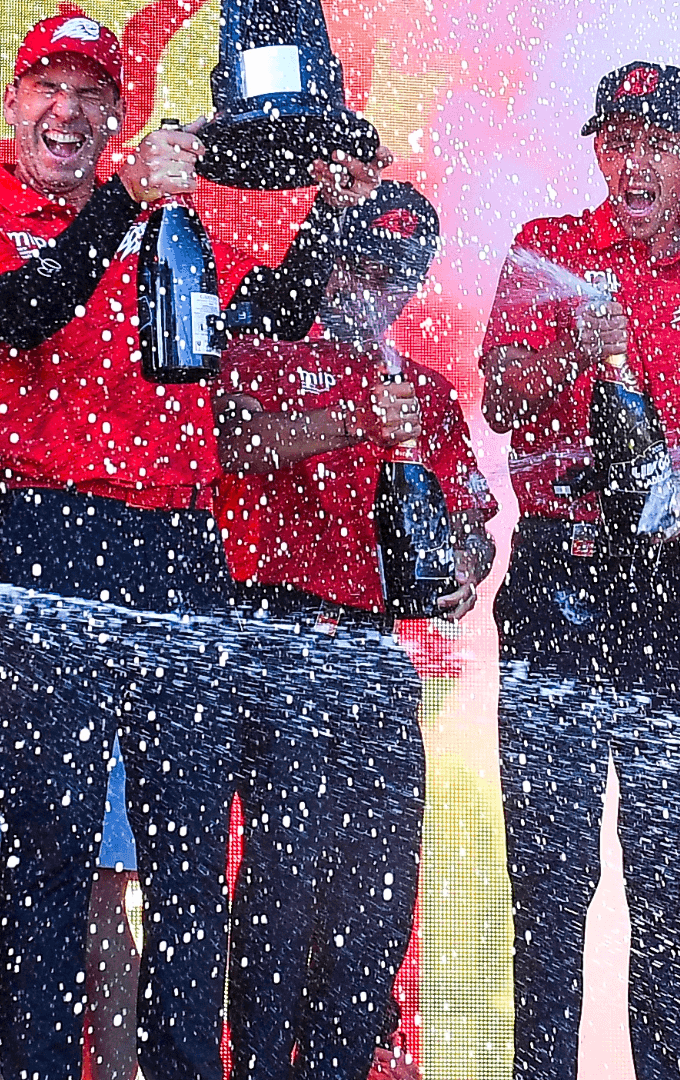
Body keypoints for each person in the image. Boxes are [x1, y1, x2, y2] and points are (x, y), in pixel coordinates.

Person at [0, 14, 386, 1080]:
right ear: (12, 104)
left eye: (91, 93)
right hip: (47, 544)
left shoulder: (173, 223)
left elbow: (260, 325)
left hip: (179, 550)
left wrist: (329, 217)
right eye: (49, 87)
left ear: (118, 113)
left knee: (188, 861)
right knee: (52, 852)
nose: (67, 110)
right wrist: (125, 199)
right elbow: (17, 316)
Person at [477, 62, 680, 1080]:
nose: (635, 164)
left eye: (659, 144)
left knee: (675, 895)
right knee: (549, 891)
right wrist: (573, 349)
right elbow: (501, 402)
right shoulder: (545, 248)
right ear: (600, 153)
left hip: (673, 589)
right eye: (618, 142)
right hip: (556, 580)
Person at [215, 182, 496, 1080]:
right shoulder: (260, 354)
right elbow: (233, 444)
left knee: (378, 891)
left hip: (377, 655)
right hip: (278, 640)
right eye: (362, 266)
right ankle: (260, 1066)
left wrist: (463, 566)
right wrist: (349, 422)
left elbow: (473, 525)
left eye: (396, 277)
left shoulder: (427, 393)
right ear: (331, 258)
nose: (372, 290)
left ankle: (345, 1062)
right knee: (284, 884)